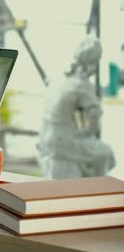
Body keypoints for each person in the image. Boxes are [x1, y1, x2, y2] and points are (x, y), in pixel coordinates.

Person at [37, 36, 116, 179]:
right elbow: (94, 118)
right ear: (93, 63)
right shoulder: (82, 85)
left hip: (45, 137)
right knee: (105, 154)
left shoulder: (58, 80)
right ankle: (96, 192)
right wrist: (84, 134)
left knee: (96, 152)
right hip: (63, 140)